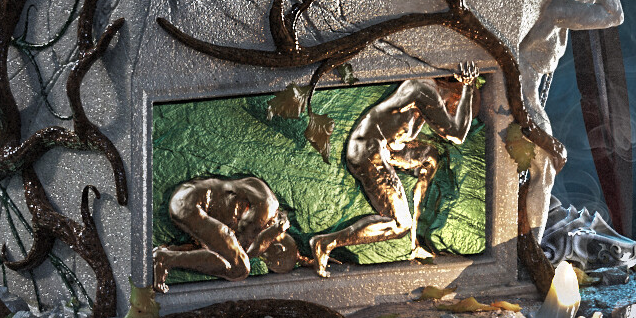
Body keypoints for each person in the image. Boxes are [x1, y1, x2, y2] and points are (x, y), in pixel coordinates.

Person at [308, 71, 483, 275]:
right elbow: (457, 134)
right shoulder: (424, 90)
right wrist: (469, 87)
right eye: (453, 109)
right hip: (367, 150)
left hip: (389, 150)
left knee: (431, 157)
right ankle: (325, 243)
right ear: (455, 94)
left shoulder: (429, 96)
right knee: (400, 224)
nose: (448, 113)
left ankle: (416, 240)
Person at [151, 174, 305, 291]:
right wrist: (269, 234)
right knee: (240, 268)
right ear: (278, 248)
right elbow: (243, 252)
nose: (262, 258)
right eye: (269, 259)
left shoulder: (265, 210)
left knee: (223, 254)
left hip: (187, 202)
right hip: (190, 204)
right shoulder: (267, 209)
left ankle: (168, 253)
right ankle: (166, 259)